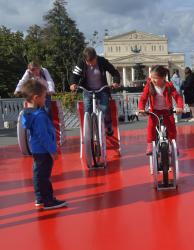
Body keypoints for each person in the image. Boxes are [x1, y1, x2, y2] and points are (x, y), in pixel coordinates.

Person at [20, 80, 67, 210]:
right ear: (36, 98)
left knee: (39, 174)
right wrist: (53, 150)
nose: (45, 98)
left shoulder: (28, 113)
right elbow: (43, 136)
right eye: (44, 96)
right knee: (44, 176)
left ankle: (40, 199)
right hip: (44, 150)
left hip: (37, 150)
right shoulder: (39, 116)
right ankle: (48, 201)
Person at [70, 47, 121, 136]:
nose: (90, 65)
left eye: (92, 62)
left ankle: (108, 126)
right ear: (85, 60)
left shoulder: (102, 61)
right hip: (88, 90)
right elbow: (75, 75)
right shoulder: (81, 63)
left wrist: (116, 82)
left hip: (102, 89)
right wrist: (73, 84)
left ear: (96, 57)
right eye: (88, 62)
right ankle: (89, 131)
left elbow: (114, 72)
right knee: (87, 111)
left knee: (104, 108)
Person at [138, 65, 184, 155]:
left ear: (163, 78)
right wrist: (141, 109)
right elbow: (143, 98)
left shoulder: (169, 85)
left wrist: (180, 107)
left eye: (155, 78)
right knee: (151, 126)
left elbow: (178, 97)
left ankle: (173, 144)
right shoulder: (149, 85)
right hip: (154, 111)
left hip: (167, 111)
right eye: (151, 77)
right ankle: (150, 144)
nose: (153, 80)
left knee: (172, 128)